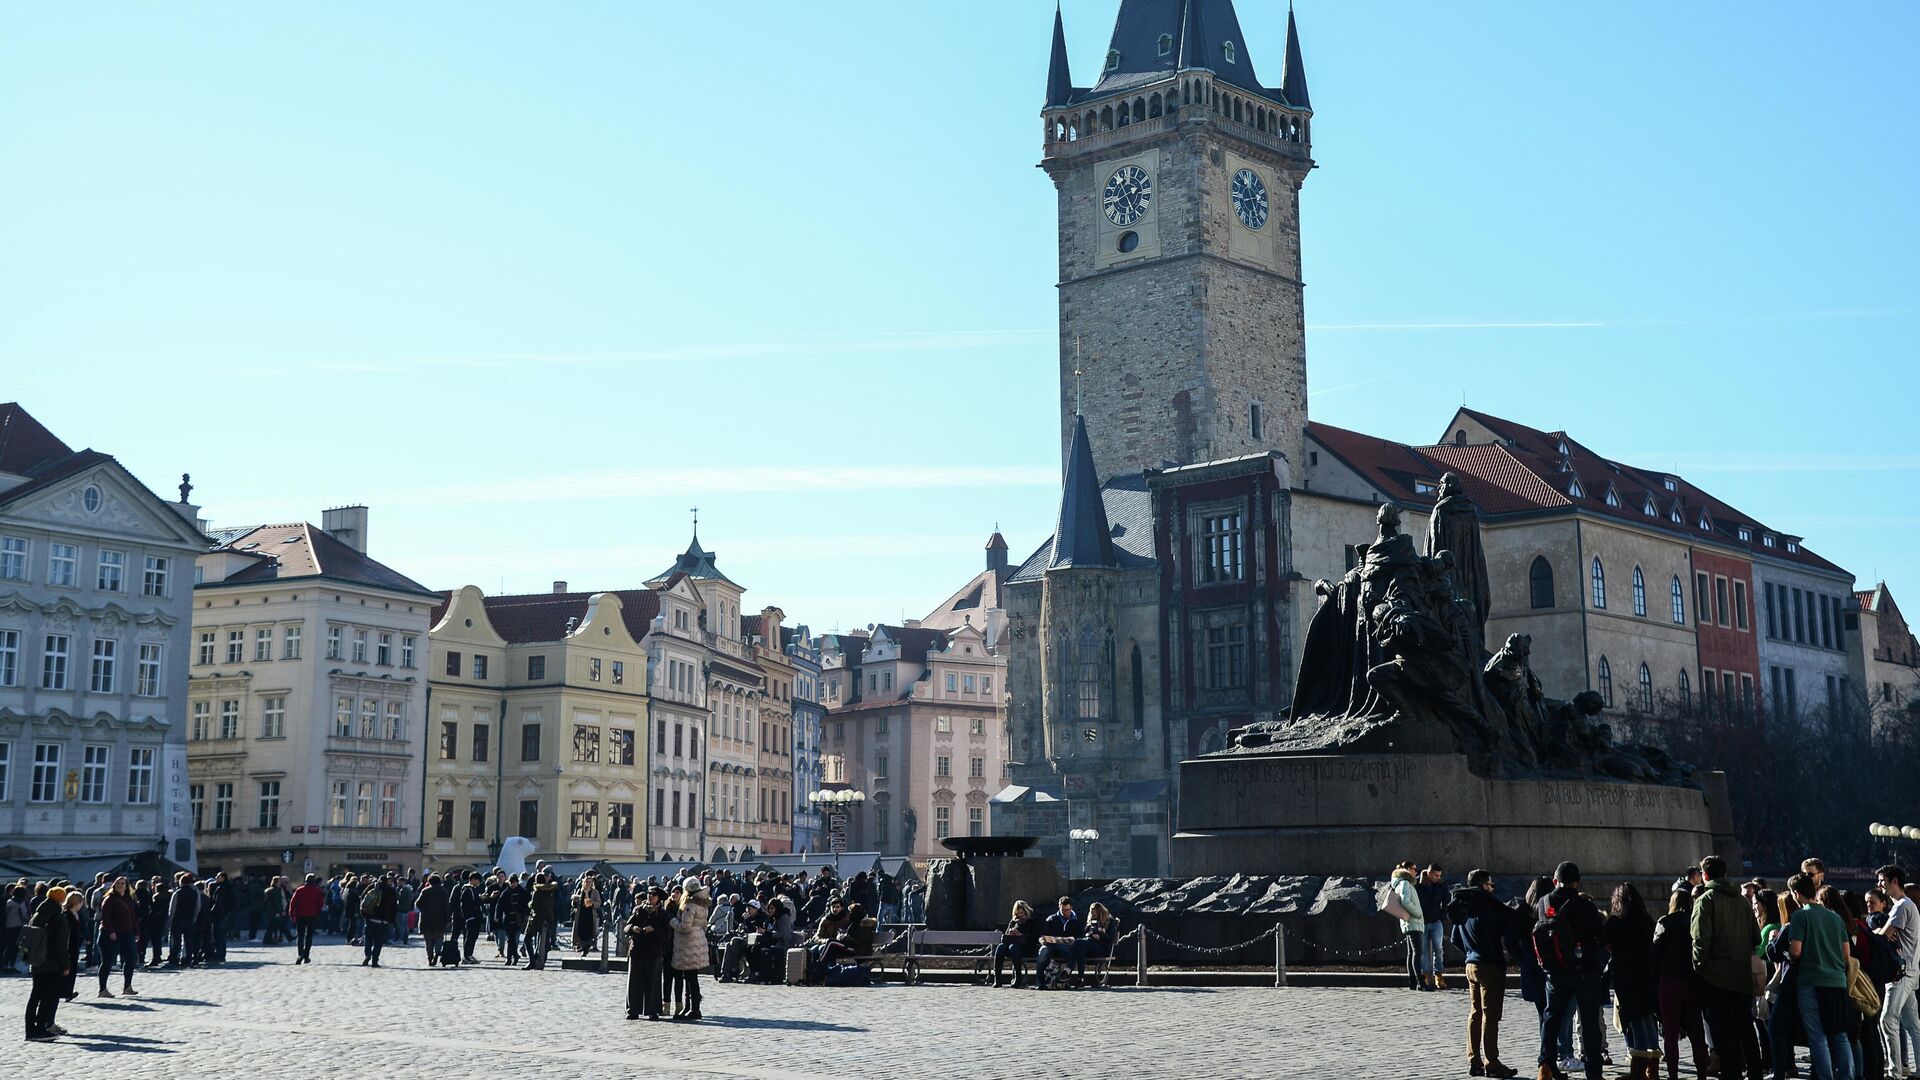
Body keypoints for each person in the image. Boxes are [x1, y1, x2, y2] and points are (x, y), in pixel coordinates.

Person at [1535, 861, 1608, 1080]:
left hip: (1554, 971)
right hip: (1583, 971)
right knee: (1589, 1022)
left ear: (1556, 880)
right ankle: (1593, 1071)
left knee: (1552, 1017)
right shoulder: (1583, 905)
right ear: (1577, 882)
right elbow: (1600, 936)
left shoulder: (1543, 902)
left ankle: (1545, 1066)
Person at [1692, 854, 1762, 1080]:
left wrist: (1699, 966)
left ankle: (1732, 1074)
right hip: (1741, 976)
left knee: (1723, 1031)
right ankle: (1755, 1071)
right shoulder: (1742, 901)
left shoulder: (1706, 900)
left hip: (1716, 978)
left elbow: (1700, 940)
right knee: (1746, 1027)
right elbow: (1755, 937)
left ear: (1705, 875)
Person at [1447, 868, 1521, 1079]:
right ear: (1482, 885)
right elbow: (1493, 934)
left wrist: (1471, 952)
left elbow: (1454, 938)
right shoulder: (1486, 907)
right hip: (1489, 966)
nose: (1492, 888)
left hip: (1471, 965)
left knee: (1475, 1013)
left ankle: (1474, 1060)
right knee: (1490, 1015)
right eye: (1490, 884)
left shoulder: (1461, 905)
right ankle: (1492, 1062)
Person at [1784, 873, 1854, 1080]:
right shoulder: (1835, 917)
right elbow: (1846, 954)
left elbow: (1795, 951)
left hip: (1811, 981)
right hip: (1837, 982)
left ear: (1796, 893)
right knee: (1840, 1035)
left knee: (1818, 1037)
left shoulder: (1800, 916)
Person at [1650, 888, 1709, 1080]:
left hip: (1669, 981)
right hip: (1692, 980)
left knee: (1670, 1030)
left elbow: (1655, 953)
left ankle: (1673, 1074)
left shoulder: (1665, 922)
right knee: (1696, 1031)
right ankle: (1702, 1072)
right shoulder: (1695, 922)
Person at [1604, 883, 1660, 1080]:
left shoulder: (1614, 922)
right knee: (1649, 1020)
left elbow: (1609, 947)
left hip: (1626, 977)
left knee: (1635, 1022)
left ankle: (1638, 1069)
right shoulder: (1646, 920)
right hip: (1646, 974)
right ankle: (1653, 1068)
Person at [1875, 864, 1920, 1078]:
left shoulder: (1902, 905)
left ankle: (1895, 1072)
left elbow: (1884, 936)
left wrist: (1877, 931)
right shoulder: (1904, 905)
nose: (1879, 884)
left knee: (1887, 1020)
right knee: (1913, 1025)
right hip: (1910, 971)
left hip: (1900, 974)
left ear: (1894, 881)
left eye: (1882, 880)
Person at [23, 885, 72, 1041]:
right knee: (48, 997)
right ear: (61, 899)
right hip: (51, 964)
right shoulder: (59, 916)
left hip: (36, 961)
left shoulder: (38, 913)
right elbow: (60, 945)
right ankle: (41, 1030)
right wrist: (66, 965)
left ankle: (30, 1031)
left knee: (35, 997)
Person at [625, 887, 671, 1020]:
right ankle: (633, 1010)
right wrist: (633, 928)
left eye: (653, 894)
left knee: (653, 982)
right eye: (649, 893)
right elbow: (627, 926)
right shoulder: (638, 910)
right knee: (634, 981)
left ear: (659, 898)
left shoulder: (663, 914)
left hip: (654, 951)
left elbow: (667, 934)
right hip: (637, 949)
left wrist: (654, 930)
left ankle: (653, 1010)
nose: (650, 896)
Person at [670, 879, 710, 1022]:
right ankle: (691, 1008)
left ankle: (694, 1009)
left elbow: (685, 926)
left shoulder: (690, 905)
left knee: (691, 978)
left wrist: (672, 921)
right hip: (698, 940)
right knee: (692, 977)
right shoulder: (702, 903)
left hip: (688, 944)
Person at [95, 877, 140, 999]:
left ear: (126, 886)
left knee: (131, 959)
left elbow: (133, 917)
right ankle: (102, 989)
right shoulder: (109, 899)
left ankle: (127, 987)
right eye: (118, 883)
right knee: (107, 962)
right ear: (114, 886)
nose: (120, 885)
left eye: (123, 883)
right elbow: (106, 917)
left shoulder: (129, 899)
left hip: (127, 933)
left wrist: (137, 932)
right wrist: (111, 931)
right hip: (110, 935)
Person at [1390, 862, 1431, 991]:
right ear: (1407, 870)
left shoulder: (1403, 883)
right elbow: (1405, 901)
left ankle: (1413, 982)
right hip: (1413, 922)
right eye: (1414, 869)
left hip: (1410, 922)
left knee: (1412, 953)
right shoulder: (1405, 883)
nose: (1416, 872)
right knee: (1417, 953)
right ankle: (1420, 982)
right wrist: (1418, 913)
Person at [1031, 896, 1085, 990]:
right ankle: (1039, 982)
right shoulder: (1051, 919)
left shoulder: (1076, 921)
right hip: (1052, 946)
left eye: (1067, 910)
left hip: (1068, 948)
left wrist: (1066, 941)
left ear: (1071, 908)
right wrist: (1043, 940)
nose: (1065, 912)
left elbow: (1079, 938)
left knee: (1073, 954)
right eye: (1062, 910)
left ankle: (1064, 977)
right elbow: (1042, 935)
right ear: (1059, 907)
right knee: (1043, 952)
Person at [989, 900, 1042, 989]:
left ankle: (1018, 977)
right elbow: (1005, 937)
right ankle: (997, 979)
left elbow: (1035, 937)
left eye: (1021, 913)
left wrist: (1022, 935)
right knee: (1000, 948)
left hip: (1026, 947)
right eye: (1017, 913)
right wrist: (1010, 933)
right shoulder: (1013, 922)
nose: (1020, 915)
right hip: (1012, 945)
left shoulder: (1032, 921)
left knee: (1014, 948)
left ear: (1026, 912)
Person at [1420, 865, 1452, 990]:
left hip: (1436, 921)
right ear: (1428, 873)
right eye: (1435, 875)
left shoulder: (1441, 885)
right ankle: (1425, 976)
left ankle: (1439, 976)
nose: (1438, 878)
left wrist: (1441, 916)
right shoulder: (1419, 884)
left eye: (1439, 875)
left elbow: (1446, 900)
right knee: (1423, 951)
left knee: (1438, 949)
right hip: (1422, 921)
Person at [362, 872, 398, 967]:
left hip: (370, 919)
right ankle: (375, 960)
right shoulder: (391, 891)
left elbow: (363, 900)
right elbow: (394, 907)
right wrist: (391, 920)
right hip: (383, 921)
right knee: (378, 942)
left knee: (368, 939)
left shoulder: (371, 887)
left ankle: (367, 955)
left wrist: (364, 914)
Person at [289, 874, 324, 964]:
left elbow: (292, 903)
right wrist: (317, 911)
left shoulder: (299, 890)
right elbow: (320, 903)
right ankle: (306, 955)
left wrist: (292, 914)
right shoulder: (317, 891)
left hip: (300, 915)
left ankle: (301, 954)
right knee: (309, 936)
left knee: (300, 936)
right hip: (312, 915)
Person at [416, 873, 450, 966]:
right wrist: (448, 920)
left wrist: (424, 909)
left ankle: (430, 957)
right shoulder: (444, 891)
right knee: (439, 939)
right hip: (440, 920)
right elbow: (447, 907)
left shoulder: (425, 891)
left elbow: (418, 904)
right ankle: (437, 953)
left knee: (428, 941)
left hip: (426, 920)